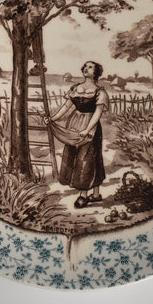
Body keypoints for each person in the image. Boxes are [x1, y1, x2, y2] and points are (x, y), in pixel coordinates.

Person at [44, 61, 109, 209]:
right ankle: (96, 194)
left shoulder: (100, 92)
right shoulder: (75, 88)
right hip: (74, 125)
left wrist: (87, 129)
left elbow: (97, 113)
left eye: (90, 67)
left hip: (90, 127)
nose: (86, 69)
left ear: (96, 72)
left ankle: (83, 195)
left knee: (87, 158)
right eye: (85, 66)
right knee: (74, 156)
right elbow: (66, 107)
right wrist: (53, 118)